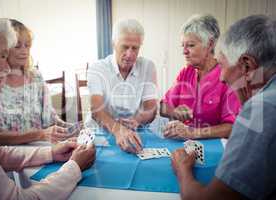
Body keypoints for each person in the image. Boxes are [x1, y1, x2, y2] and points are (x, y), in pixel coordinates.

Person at [0, 6, 95, 199]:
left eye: (27, 45)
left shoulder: (35, 77)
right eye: (2, 55)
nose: (6, 67)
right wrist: (74, 167)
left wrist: (52, 152)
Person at [171, 15, 276, 200]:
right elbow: (165, 105)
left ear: (246, 65)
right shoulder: (186, 72)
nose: (221, 77)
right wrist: (173, 112)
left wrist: (182, 169)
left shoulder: (263, 108)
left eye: (223, 63)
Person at [0, 19, 74, 145]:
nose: (24, 51)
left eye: (27, 45)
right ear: (4, 49)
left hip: (44, 149)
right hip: (10, 156)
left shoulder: (36, 77)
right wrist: (40, 134)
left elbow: (50, 119)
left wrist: (72, 128)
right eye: (17, 46)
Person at [160, 14, 241, 139]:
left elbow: (232, 127)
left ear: (209, 44)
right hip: (185, 145)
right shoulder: (186, 73)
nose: (184, 51)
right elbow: (163, 107)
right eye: (183, 46)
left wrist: (193, 132)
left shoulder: (227, 76)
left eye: (191, 45)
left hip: (214, 148)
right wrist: (174, 112)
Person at [87, 19, 157, 153]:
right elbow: (96, 110)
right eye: (125, 47)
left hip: (135, 131)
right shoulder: (97, 68)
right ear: (114, 44)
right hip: (101, 134)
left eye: (135, 48)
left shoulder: (148, 66)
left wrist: (137, 120)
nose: (130, 54)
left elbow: (151, 107)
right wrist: (118, 130)